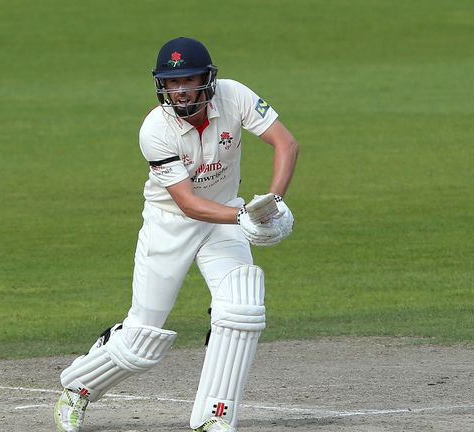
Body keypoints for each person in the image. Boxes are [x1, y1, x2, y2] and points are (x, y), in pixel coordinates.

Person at [54, 36, 299, 432]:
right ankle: (77, 388)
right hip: (170, 225)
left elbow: (286, 143)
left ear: (207, 79)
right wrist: (242, 218)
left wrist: (272, 205)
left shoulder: (235, 96)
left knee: (243, 308)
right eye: (172, 82)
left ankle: (214, 417)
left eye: (188, 79)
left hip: (223, 219)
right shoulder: (155, 129)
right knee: (141, 342)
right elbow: (186, 203)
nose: (181, 89)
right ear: (162, 86)